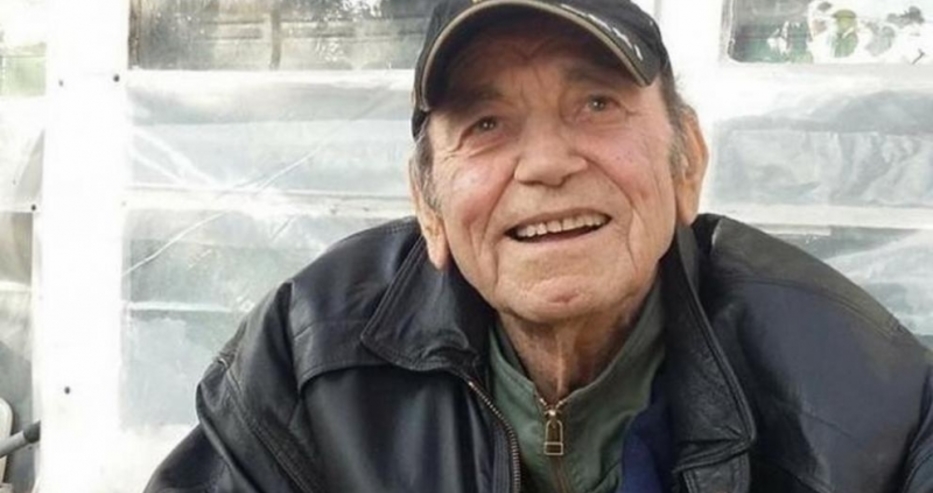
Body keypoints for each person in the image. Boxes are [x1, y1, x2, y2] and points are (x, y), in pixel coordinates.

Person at [144, 0, 933, 491]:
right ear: (428, 203)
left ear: (685, 162)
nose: (547, 163)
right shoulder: (308, 354)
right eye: (485, 123)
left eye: (596, 103)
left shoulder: (860, 385)